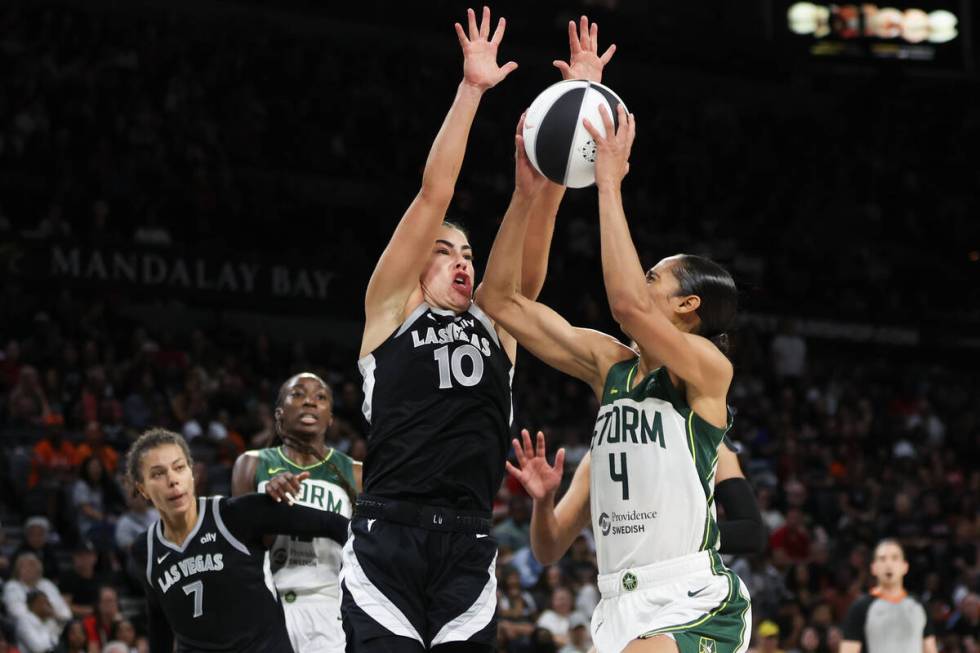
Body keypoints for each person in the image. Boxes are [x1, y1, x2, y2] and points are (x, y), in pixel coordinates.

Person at [341, 9, 614, 653]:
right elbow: (434, 193)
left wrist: (575, 109)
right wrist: (471, 91)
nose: (461, 259)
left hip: (468, 541)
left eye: (468, 252)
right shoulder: (391, 310)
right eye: (446, 250)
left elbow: (533, 243)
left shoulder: (498, 322)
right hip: (389, 539)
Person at [477, 102, 764, 652]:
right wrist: (531, 192)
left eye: (655, 276)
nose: (642, 279)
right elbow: (498, 301)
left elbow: (629, 306)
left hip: (691, 596)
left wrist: (609, 184)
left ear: (688, 306)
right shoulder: (609, 368)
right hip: (617, 606)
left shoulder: (707, 370)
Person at [126, 428, 349, 652]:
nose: (172, 480)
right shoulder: (144, 551)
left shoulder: (236, 515)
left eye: (179, 468)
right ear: (142, 489)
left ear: (192, 473)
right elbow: (159, 621)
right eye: (157, 474)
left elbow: (332, 524)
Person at [231, 373, 359, 653]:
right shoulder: (251, 464)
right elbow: (241, 551)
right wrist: (269, 505)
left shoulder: (355, 473)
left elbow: (363, 549)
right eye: (298, 394)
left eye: (320, 397)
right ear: (280, 413)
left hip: (329, 608)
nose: (310, 402)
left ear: (330, 418)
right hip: (269, 605)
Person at [840, 539, 937, 653]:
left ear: (905, 567)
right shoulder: (860, 608)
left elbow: (930, 648)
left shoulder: (919, 606)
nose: (888, 564)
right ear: (874, 568)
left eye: (895, 558)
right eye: (882, 559)